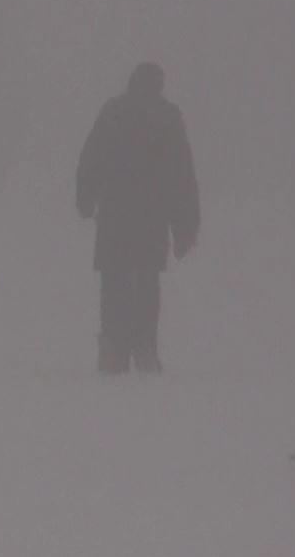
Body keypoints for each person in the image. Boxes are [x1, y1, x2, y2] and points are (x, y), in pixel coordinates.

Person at [74, 62, 200, 374]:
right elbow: (181, 175)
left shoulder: (113, 112)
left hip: (115, 215)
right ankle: (144, 348)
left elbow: (91, 158)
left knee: (114, 281)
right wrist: (185, 226)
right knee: (146, 282)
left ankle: (112, 349)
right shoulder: (167, 118)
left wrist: (85, 198)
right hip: (151, 217)